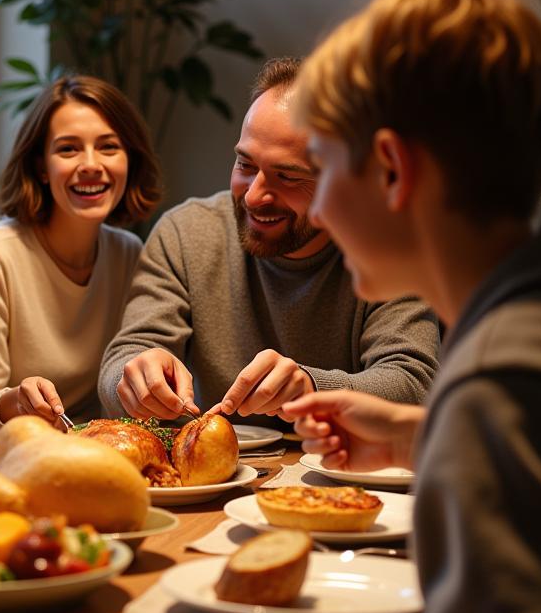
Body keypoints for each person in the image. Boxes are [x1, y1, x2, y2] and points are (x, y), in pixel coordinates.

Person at [283, 0, 541, 613]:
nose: (320, 206)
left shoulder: (498, 386)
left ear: (394, 169)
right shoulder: (527, 329)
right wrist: (418, 432)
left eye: (323, 168)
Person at [98, 57, 440, 423]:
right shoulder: (186, 233)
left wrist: (311, 386)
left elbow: (415, 383)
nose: (253, 196)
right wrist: (133, 377)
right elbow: (121, 361)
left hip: (343, 473)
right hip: (221, 475)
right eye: (245, 165)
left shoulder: (388, 246)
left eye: (287, 177)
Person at [0, 75, 163, 438]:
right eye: (68, 149)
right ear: (41, 166)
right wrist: (16, 402)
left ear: (129, 160)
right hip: (3, 456)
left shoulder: (128, 253)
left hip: (92, 453)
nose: (91, 164)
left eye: (108, 147)